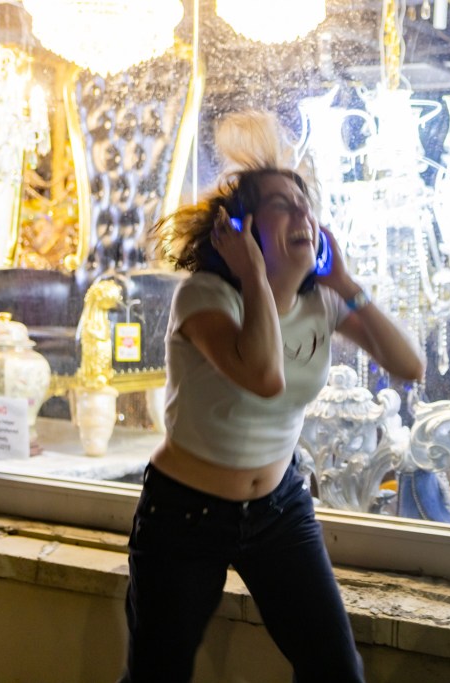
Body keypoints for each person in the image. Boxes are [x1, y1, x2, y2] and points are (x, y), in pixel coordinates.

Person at [121, 110, 424, 682]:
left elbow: (409, 366)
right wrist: (255, 276)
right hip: (184, 515)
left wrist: (346, 285)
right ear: (240, 228)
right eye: (283, 204)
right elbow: (264, 376)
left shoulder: (322, 302)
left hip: (279, 510)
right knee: (157, 676)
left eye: (306, 205)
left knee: (337, 672)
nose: (303, 215)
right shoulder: (206, 298)